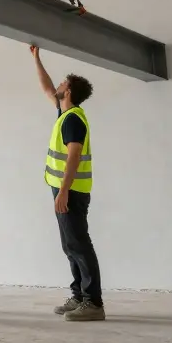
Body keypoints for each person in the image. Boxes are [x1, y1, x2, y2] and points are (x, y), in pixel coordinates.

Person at [30, 45, 104, 322]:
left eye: (63, 83)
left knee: (79, 244)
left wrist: (62, 191)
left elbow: (73, 157)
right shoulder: (64, 113)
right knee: (70, 245)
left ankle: (93, 302)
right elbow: (48, 88)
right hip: (64, 189)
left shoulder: (73, 119)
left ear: (69, 92)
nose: (58, 86)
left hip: (70, 190)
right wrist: (37, 59)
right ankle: (79, 295)